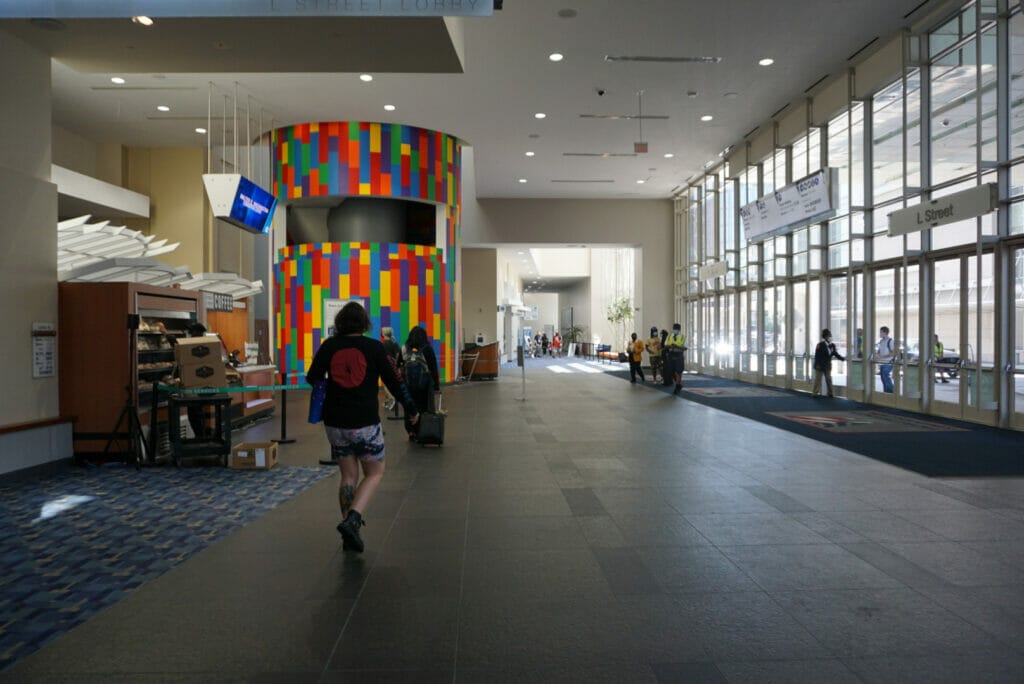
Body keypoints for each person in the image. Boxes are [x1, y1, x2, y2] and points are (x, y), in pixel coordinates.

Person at [306, 302, 419, 553]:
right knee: (375, 473)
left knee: (348, 476)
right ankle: (353, 519)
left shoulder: (329, 346)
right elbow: (396, 381)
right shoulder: (374, 347)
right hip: (364, 422)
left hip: (335, 423)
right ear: (365, 323)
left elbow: (312, 376)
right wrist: (411, 409)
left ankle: (349, 533)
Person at [404, 325, 440, 440]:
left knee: (409, 406)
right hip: (425, 384)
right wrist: (436, 386)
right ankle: (422, 431)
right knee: (424, 407)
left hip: (408, 385)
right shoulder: (427, 349)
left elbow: (399, 366)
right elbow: (433, 368)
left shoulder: (405, 348)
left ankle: (411, 431)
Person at [812, 328, 845, 398]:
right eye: (829, 336)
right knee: (818, 379)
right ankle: (815, 393)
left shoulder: (832, 345)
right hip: (819, 365)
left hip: (827, 365)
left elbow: (835, 353)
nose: (830, 337)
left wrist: (842, 358)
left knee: (829, 379)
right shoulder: (820, 345)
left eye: (830, 336)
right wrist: (817, 364)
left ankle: (830, 393)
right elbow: (817, 356)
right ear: (825, 337)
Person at [380, 327, 404, 411]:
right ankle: (387, 402)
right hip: (395, 367)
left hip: (386, 367)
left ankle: (392, 399)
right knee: (391, 383)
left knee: (386, 384)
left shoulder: (383, 344)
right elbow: (398, 355)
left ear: (384, 334)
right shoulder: (395, 343)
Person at [665, 323, 687, 394]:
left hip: (679, 355)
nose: (675, 330)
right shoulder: (670, 336)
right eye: (674, 329)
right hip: (671, 355)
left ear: (679, 330)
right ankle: (678, 384)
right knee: (671, 371)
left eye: (676, 329)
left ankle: (677, 386)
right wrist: (668, 346)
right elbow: (666, 345)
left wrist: (676, 346)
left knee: (678, 371)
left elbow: (684, 347)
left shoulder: (683, 337)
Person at [874, 325, 895, 393]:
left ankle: (890, 391)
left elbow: (893, 353)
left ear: (885, 333)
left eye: (881, 332)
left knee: (885, 376)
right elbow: (880, 350)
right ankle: (886, 392)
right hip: (882, 362)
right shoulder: (881, 341)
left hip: (888, 362)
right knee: (883, 377)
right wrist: (877, 354)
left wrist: (882, 356)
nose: (879, 334)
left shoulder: (890, 341)